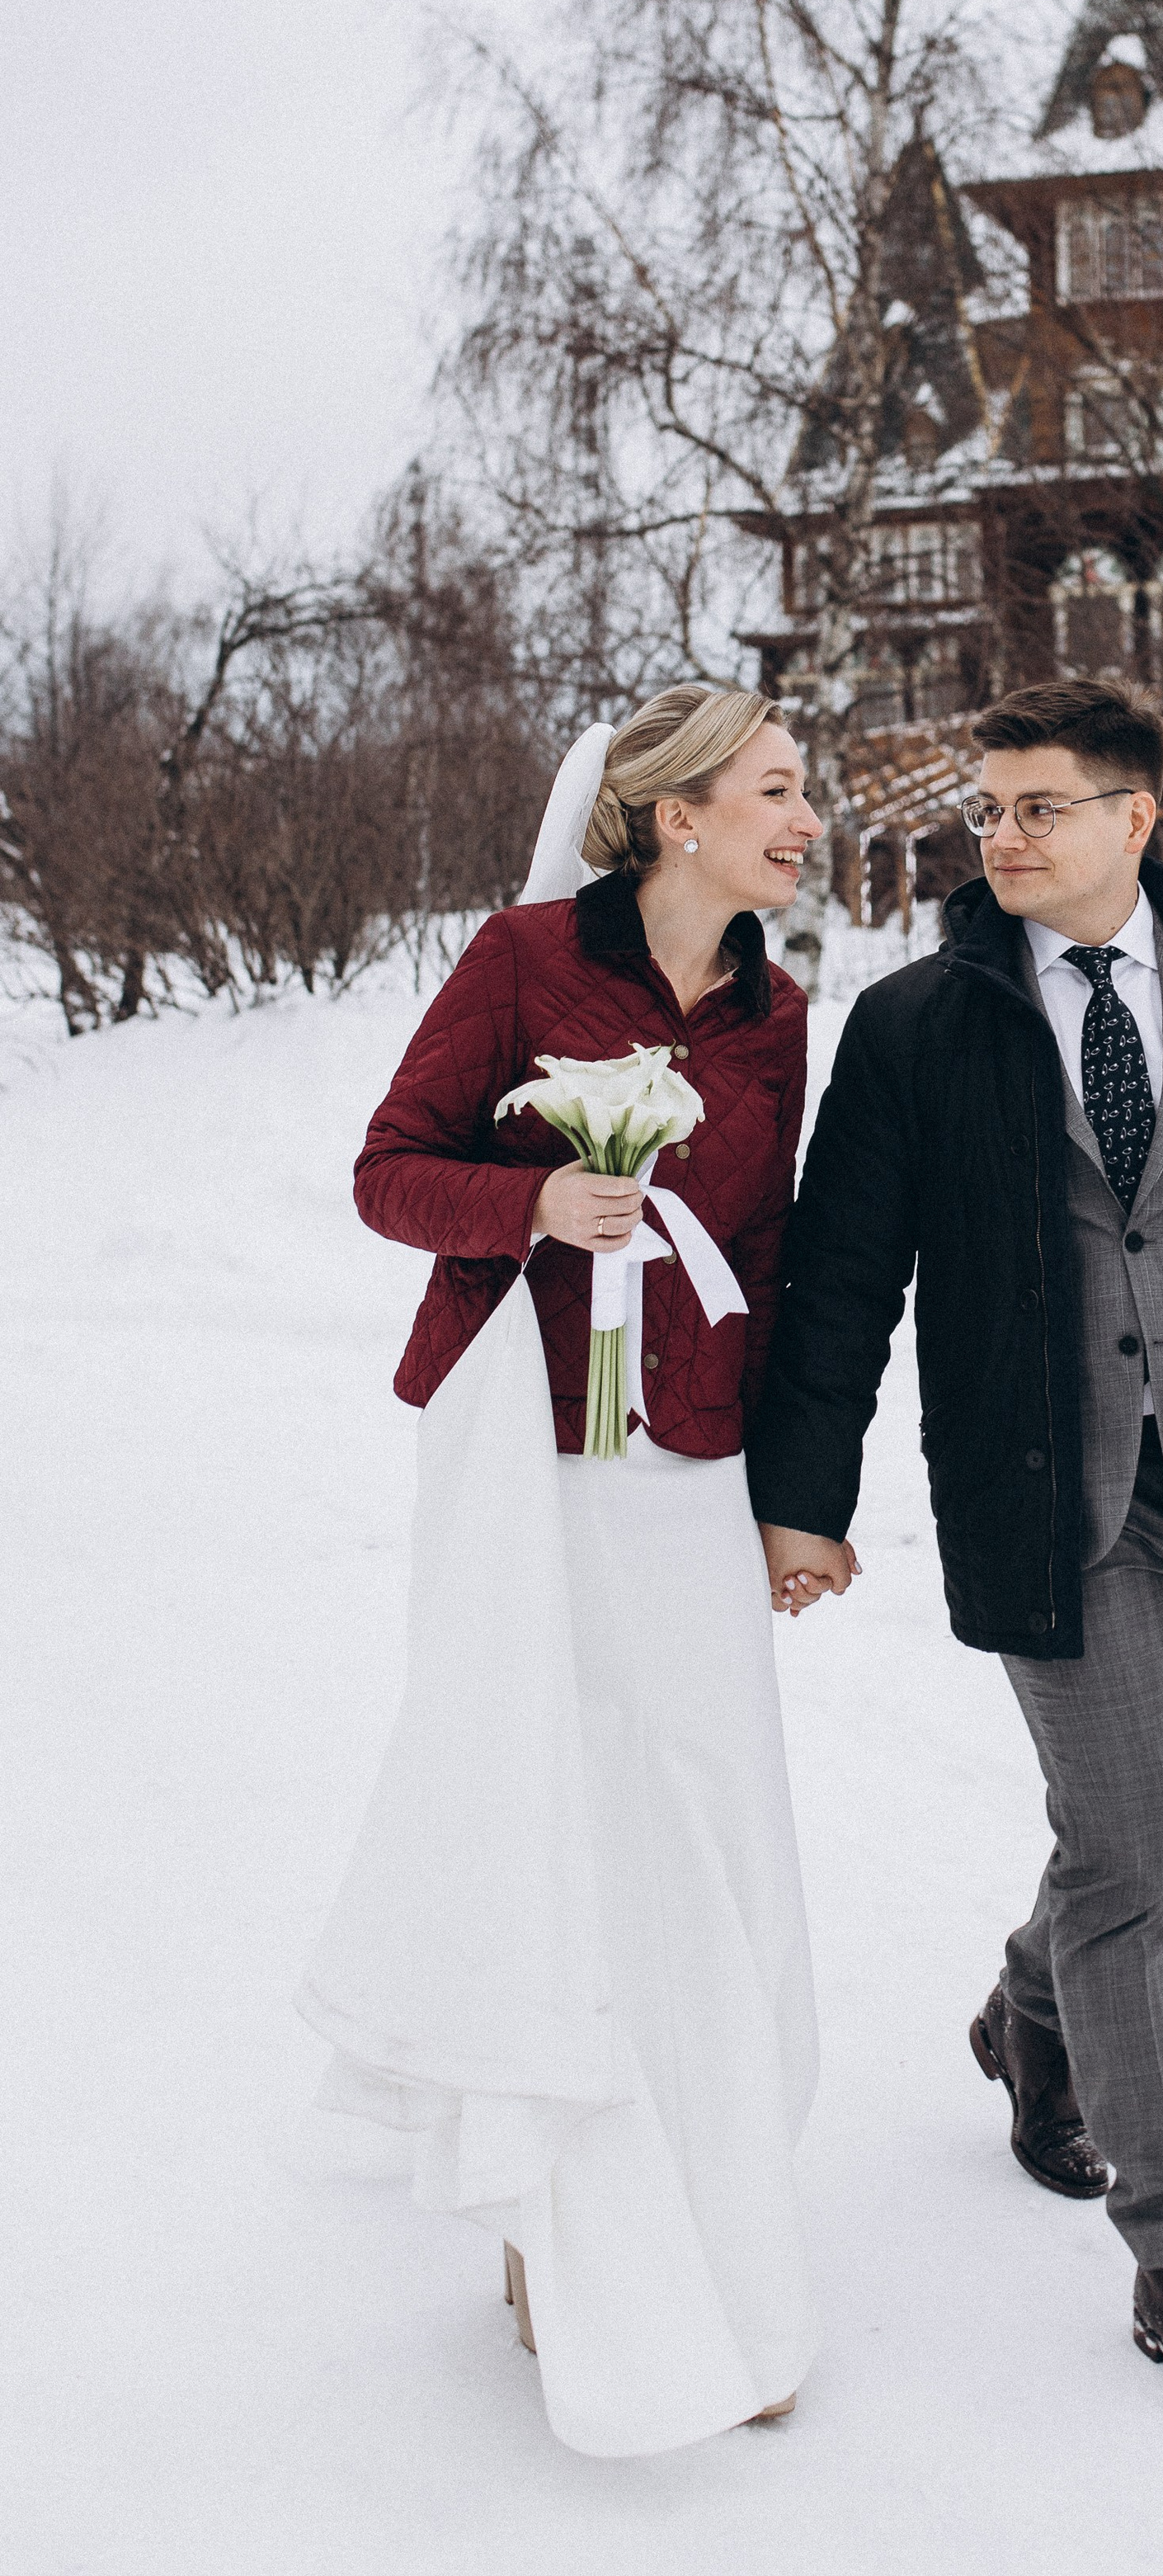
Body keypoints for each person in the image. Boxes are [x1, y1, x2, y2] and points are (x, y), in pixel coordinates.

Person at [748, 677, 1163, 2432]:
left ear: (1136, 818)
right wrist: (799, 1494)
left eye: (1041, 804)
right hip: (1050, 1499)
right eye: (990, 806)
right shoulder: (916, 1026)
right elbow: (837, 1280)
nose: (1004, 834)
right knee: (1129, 1848)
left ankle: (1032, 2009)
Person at [301, 686, 855, 2458]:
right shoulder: (525, 958)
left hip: (685, 1481)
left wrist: (785, 1498)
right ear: (674, 813)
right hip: (523, 1468)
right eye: (777, 789)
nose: (807, 814)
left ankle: (717, 2235)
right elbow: (391, 1171)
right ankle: (571, 2232)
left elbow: (760, 1260)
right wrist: (532, 1205)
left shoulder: (775, 1011)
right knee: (559, 1822)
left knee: (706, 1833)